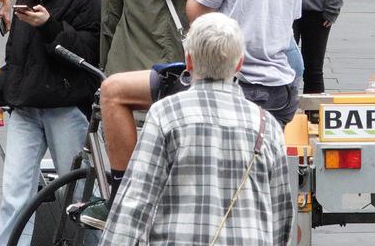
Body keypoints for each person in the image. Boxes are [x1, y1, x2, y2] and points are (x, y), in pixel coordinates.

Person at [92, 0, 304, 227]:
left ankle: (120, 198)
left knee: (113, 91)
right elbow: (291, 21)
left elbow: (198, 12)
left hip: (233, 84)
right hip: (280, 91)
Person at [97, 13, 295, 244]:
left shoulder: (166, 114)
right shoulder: (266, 125)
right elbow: (281, 212)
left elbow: (136, 200)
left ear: (188, 61)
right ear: (239, 63)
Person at [0, 0, 101, 246]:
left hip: (64, 107)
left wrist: (50, 26)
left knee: (77, 195)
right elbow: (18, 50)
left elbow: (87, 53)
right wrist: (6, 85)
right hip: (26, 105)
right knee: (14, 194)